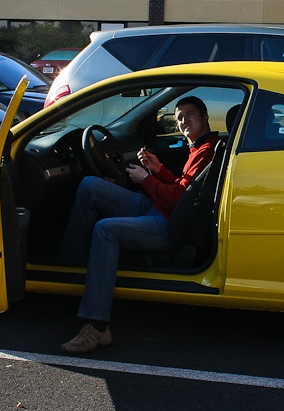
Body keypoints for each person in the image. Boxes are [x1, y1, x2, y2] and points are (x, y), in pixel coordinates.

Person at [57, 95, 219, 355]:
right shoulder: (200, 147)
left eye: (189, 114)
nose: (183, 120)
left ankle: (97, 326)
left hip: (168, 225)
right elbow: (184, 189)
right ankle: (70, 267)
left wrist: (146, 180)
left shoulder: (207, 150)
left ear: (204, 117)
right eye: (179, 117)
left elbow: (179, 199)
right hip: (162, 210)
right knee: (90, 187)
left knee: (105, 230)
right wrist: (159, 169)